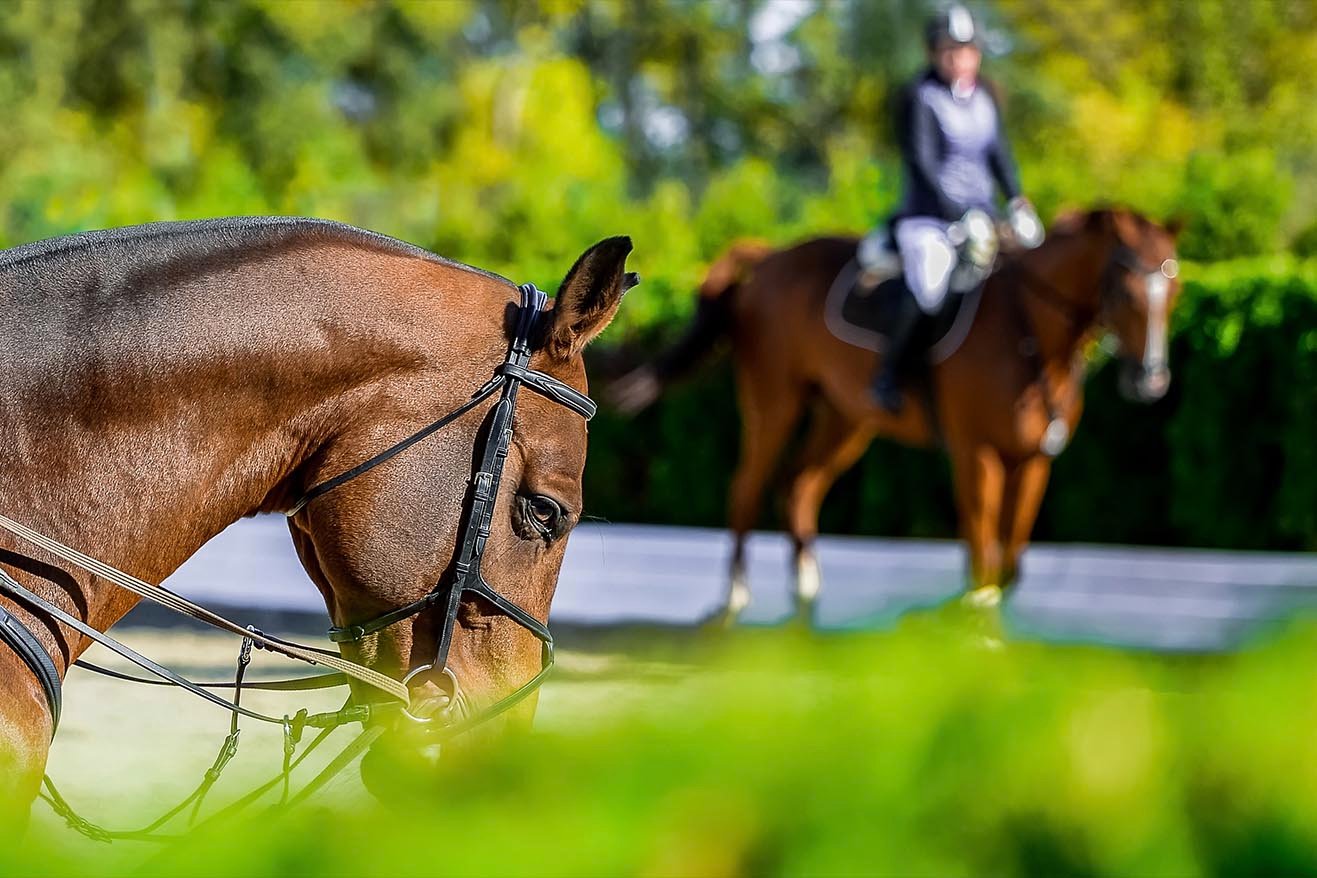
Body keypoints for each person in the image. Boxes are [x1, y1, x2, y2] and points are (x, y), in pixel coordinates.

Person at [869, 3, 1042, 414]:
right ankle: (889, 375)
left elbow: (999, 154)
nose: (960, 59)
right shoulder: (920, 98)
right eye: (950, 51)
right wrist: (958, 213)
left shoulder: (984, 97)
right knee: (930, 285)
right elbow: (922, 163)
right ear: (934, 54)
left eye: (967, 51)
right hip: (929, 219)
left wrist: (1016, 199)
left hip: (982, 215)